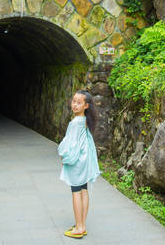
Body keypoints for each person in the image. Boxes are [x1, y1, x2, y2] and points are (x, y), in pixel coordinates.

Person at [57, 90, 101, 239]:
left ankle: (79, 227)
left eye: (79, 102)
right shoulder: (85, 121)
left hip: (77, 162)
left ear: (86, 105)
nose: (74, 104)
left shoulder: (76, 123)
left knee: (76, 191)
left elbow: (70, 144)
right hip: (85, 160)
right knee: (84, 191)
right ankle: (82, 225)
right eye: (74, 101)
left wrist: (65, 158)